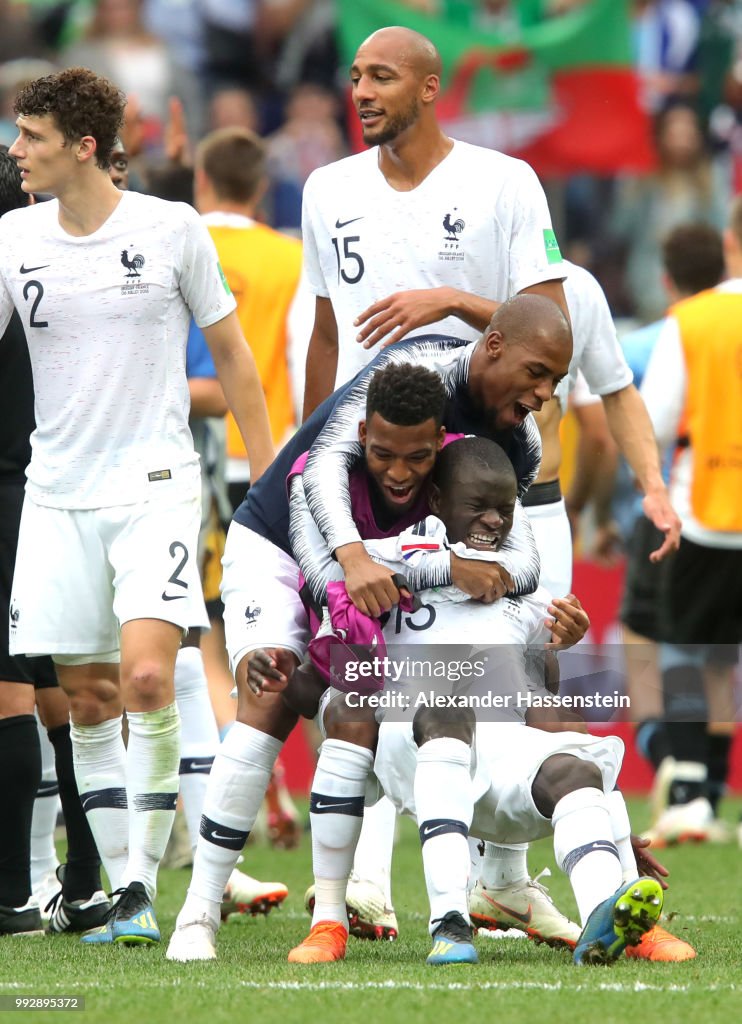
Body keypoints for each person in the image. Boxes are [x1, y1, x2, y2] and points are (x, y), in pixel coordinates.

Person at [166, 293, 573, 962]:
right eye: (536, 372)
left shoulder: (517, 442)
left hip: (383, 572)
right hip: (282, 543)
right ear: (493, 345)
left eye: (555, 381)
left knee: (371, 710)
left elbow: (514, 556)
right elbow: (317, 475)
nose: (543, 393)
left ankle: (356, 908)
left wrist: (504, 591)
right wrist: (354, 563)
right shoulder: (415, 370)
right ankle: (198, 912)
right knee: (267, 695)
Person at [1, 66, 273, 946]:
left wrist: (265, 472)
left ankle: (142, 887)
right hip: (56, 494)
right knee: (86, 700)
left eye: (31, 137)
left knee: (151, 679)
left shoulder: (171, 229)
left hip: (155, 486)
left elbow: (231, 354)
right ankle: (118, 886)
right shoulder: (13, 237)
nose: (15, 153)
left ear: (84, 146)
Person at [290, 437, 665, 967]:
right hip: (412, 745)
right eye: (478, 506)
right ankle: (413, 921)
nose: (493, 521)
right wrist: (289, 672)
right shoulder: (386, 563)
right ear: (438, 500)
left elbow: (543, 677)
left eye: (505, 510)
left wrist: (565, 638)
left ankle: (612, 918)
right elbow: (314, 683)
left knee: (576, 769)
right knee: (440, 711)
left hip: (500, 757)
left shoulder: (517, 586)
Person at [301, 24, 570, 420]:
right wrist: (306, 455)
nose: (362, 92)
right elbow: (327, 339)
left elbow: (553, 325)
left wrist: (451, 301)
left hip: (470, 435)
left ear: (429, 88)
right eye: (356, 79)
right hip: (366, 436)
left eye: (382, 77)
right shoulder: (326, 188)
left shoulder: (506, 181)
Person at [0, 146, 108, 939]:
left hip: (9, 496)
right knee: (62, 696)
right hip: (62, 493)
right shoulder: (67, 276)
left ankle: (9, 896)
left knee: (14, 698)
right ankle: (82, 880)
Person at [640, 196, 742, 846]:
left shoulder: (695, 320)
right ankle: (708, 793)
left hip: (706, 508)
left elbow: (652, 420)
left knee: (688, 650)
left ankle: (691, 794)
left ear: (733, 238)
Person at [191, 125, 308, 509]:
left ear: (202, 178)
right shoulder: (293, 257)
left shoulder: (178, 247)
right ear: (260, 188)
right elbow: (303, 355)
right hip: (267, 450)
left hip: (187, 443)